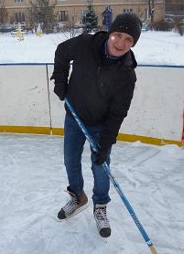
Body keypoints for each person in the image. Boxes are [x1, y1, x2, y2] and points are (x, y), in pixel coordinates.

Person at [50, 12, 142, 238]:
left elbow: (118, 112)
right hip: (74, 116)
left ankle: (100, 206)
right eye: (118, 35)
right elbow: (62, 52)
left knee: (100, 168)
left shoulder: (126, 75)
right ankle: (78, 196)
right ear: (110, 33)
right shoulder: (85, 44)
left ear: (133, 43)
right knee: (70, 160)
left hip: (100, 125)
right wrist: (61, 81)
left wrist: (106, 142)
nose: (120, 43)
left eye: (128, 39)